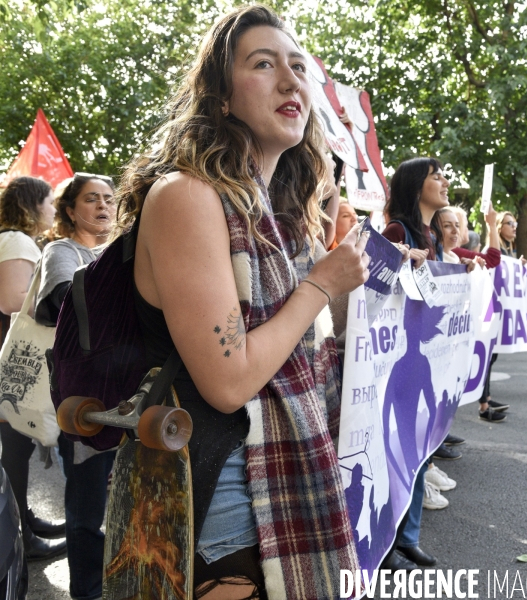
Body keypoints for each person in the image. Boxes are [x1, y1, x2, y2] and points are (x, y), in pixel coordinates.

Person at [113, 6, 368, 599]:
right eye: (264, 64)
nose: (291, 81)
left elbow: (303, 341)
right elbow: (230, 383)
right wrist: (322, 285)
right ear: (221, 98)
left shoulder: (276, 212)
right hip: (224, 507)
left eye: (299, 67)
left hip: (283, 488)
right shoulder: (188, 196)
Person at [35, 173, 117, 600]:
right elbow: (62, 301)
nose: (103, 206)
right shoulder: (63, 251)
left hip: (131, 396)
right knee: (87, 511)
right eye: (91, 199)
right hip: (83, 401)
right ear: (71, 210)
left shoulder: (129, 251)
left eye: (109, 198)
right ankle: (86, 592)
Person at [379, 157, 453, 570]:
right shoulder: (398, 231)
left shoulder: (432, 236)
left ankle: (408, 536)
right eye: (434, 175)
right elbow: (377, 283)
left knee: (422, 447)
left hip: (425, 359)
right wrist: (398, 255)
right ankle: (388, 542)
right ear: (414, 185)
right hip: (400, 361)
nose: (443, 182)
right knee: (401, 447)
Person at [0, 176, 66, 568]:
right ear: (33, 204)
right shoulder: (18, 241)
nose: (53, 210)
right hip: (13, 362)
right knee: (16, 447)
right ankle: (22, 533)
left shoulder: (8, 239)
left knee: (15, 447)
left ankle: (25, 520)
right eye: (49, 202)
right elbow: (11, 299)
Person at [477, 210, 527, 422]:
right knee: (487, 356)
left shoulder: (509, 250)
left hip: (500, 311)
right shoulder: (492, 248)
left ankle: (486, 396)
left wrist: (520, 267)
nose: (514, 227)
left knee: (492, 356)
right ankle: (483, 405)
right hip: (490, 311)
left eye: (515, 223)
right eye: (510, 223)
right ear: (499, 227)